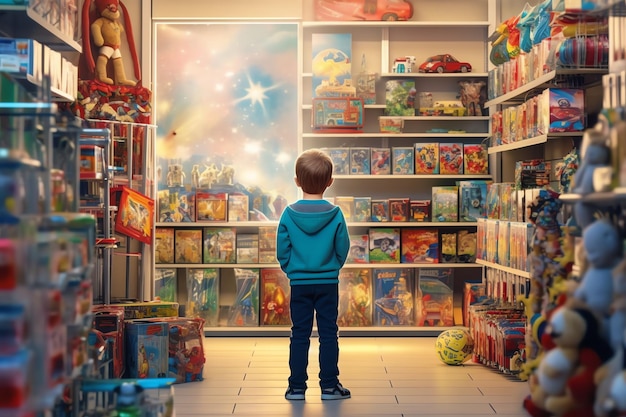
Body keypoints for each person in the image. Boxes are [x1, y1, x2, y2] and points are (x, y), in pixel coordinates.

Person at [276, 149, 351, 401]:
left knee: (299, 333)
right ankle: (329, 387)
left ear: (296, 181)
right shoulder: (336, 214)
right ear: (330, 182)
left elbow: (282, 249)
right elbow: (343, 248)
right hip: (328, 283)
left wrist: (292, 270)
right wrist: (332, 266)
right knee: (329, 333)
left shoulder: (288, 214)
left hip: (299, 284)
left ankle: (296, 387)